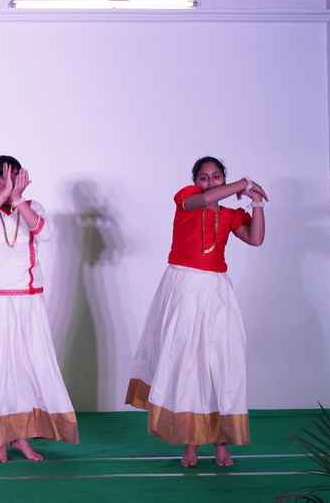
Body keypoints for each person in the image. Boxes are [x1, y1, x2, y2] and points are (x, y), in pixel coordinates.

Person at [125, 156, 267, 468]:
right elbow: (203, 200)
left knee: (221, 362)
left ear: (223, 178)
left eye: (216, 177)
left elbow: (256, 239)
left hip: (216, 291)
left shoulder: (230, 215)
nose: (210, 182)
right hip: (184, 287)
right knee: (188, 363)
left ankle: (221, 444)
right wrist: (242, 184)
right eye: (204, 177)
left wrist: (256, 202)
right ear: (195, 181)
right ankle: (191, 444)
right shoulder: (186, 198)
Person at [0, 156, 78, 463]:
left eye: (14, 175)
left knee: (24, 369)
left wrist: (18, 199)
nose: (8, 182)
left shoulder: (33, 207)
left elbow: (45, 233)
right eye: (2, 177)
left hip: (26, 299)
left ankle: (21, 439)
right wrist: (5, 194)